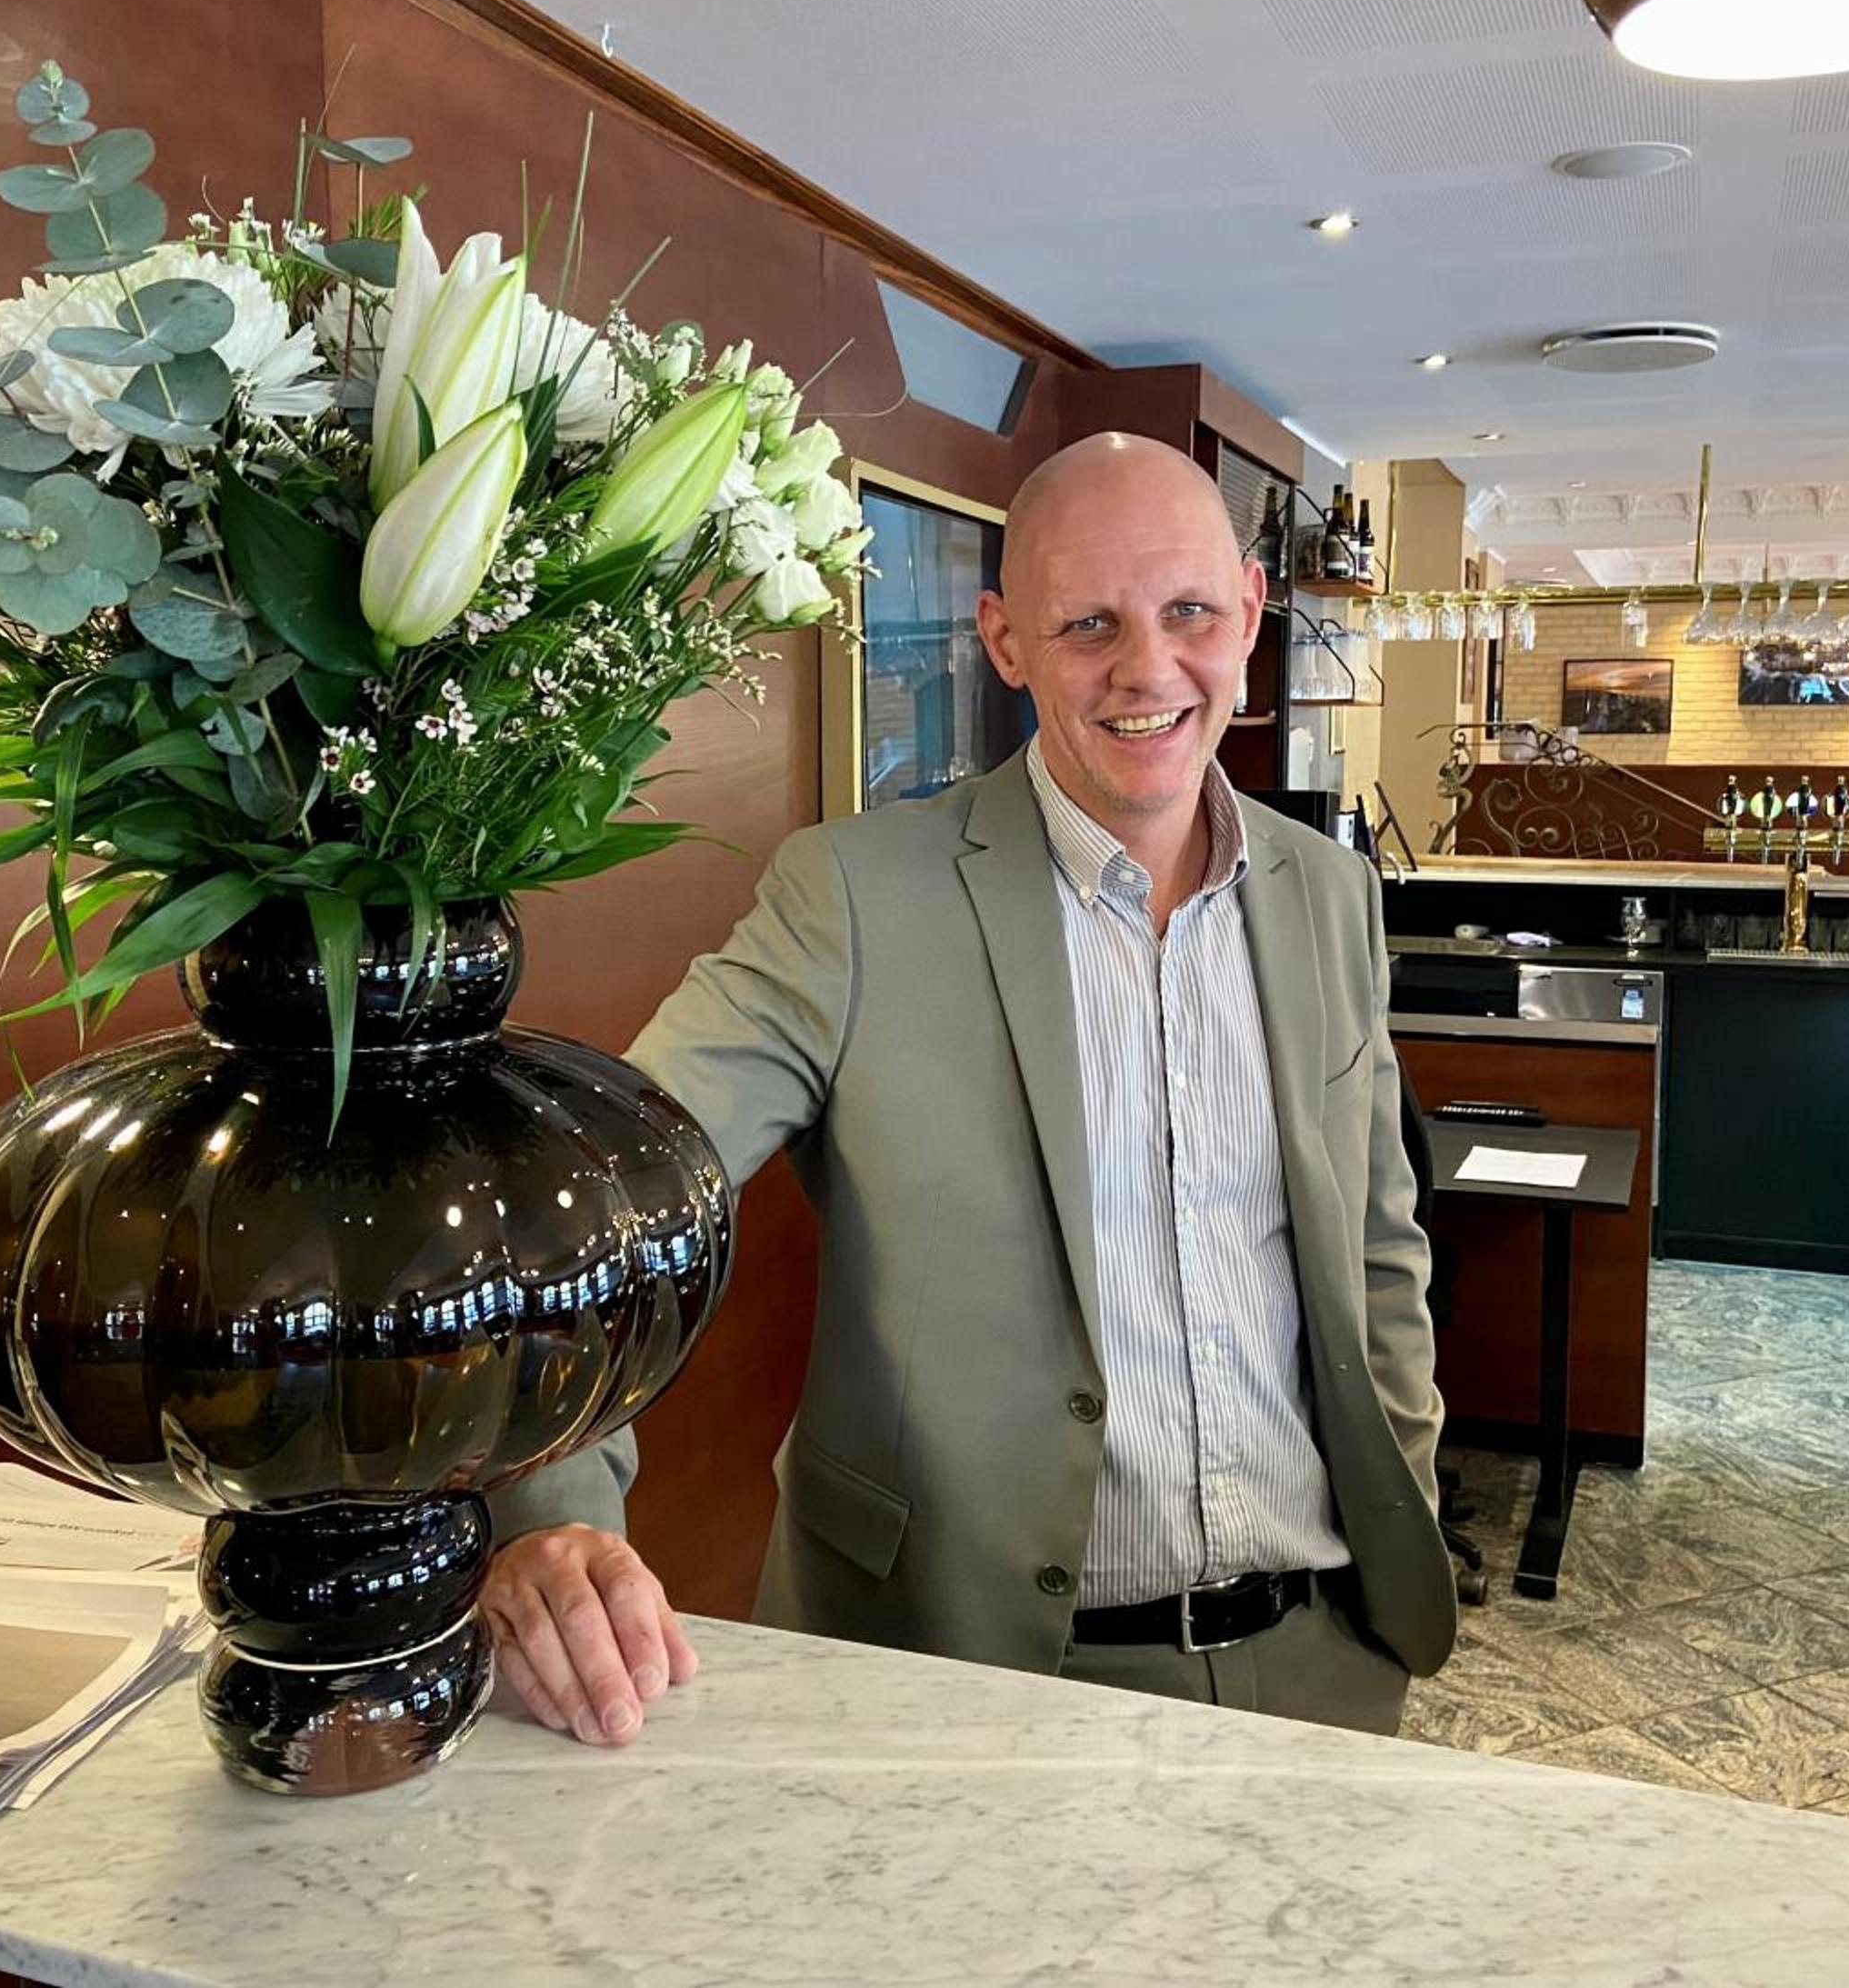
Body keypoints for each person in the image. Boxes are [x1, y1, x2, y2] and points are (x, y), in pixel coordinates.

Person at [484, 432, 1455, 1745]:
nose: (1147, 668)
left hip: (1323, 1660)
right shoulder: (852, 897)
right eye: (1088, 623)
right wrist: (551, 1514)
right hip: (961, 1679)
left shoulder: (1329, 893)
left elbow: (1379, 1245)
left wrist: (1409, 1483)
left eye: (1188, 612)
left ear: (1249, 610)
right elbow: (608, 1197)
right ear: (1004, 640)